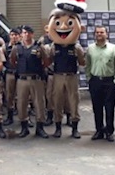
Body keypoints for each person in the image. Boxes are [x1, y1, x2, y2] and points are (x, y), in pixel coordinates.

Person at [47, 10, 85, 139]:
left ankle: (75, 128)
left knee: (73, 101)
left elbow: (82, 62)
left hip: (71, 76)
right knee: (57, 101)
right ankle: (58, 128)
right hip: (57, 76)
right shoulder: (53, 46)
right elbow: (48, 60)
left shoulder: (76, 47)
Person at [10, 25, 50, 138]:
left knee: (39, 104)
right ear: (21, 34)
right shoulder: (16, 48)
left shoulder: (39, 47)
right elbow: (13, 61)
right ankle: (24, 128)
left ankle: (40, 128)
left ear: (32, 34)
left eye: (28, 32)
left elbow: (46, 62)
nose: (26, 35)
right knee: (21, 104)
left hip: (36, 79)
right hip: (22, 80)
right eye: (24, 33)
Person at [86, 26, 115, 142]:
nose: (99, 34)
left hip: (109, 82)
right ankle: (99, 130)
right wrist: (89, 78)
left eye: (102, 32)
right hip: (95, 81)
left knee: (109, 108)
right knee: (97, 107)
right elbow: (87, 64)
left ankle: (109, 131)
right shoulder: (90, 48)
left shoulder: (113, 49)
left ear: (106, 34)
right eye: (97, 32)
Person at [3, 28, 21, 126]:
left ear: (19, 36)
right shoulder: (5, 47)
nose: (14, 37)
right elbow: (2, 61)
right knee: (10, 96)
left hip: (21, 75)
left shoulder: (23, 47)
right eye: (12, 35)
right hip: (10, 73)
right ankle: (9, 117)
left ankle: (25, 118)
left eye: (16, 35)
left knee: (23, 97)